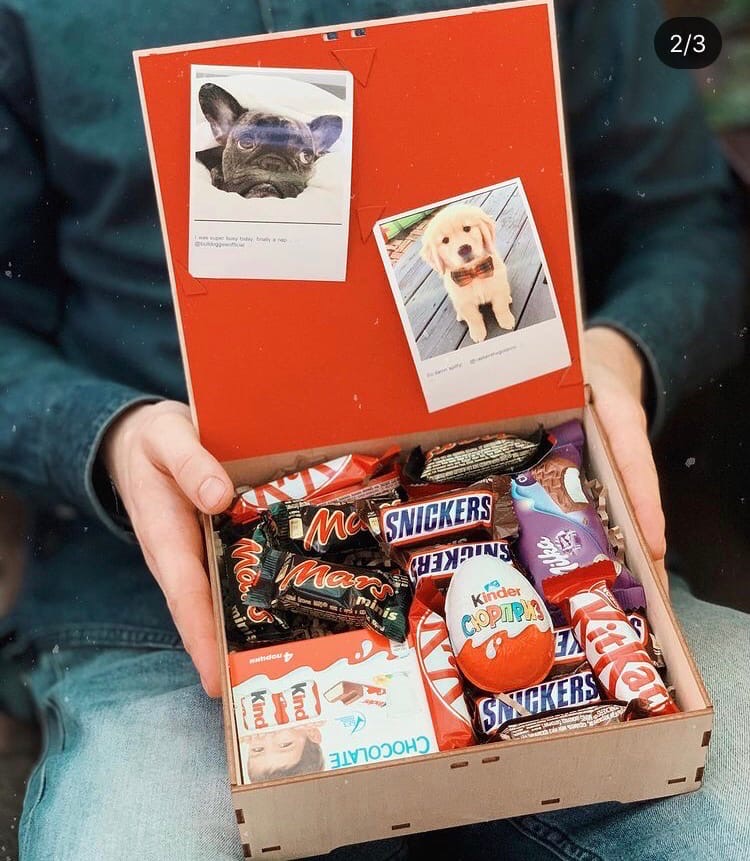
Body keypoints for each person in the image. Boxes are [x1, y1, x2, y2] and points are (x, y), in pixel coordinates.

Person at [0, 1, 747, 859]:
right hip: (161, 612)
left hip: (556, 544)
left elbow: (686, 222)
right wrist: (111, 436)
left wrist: (620, 356)